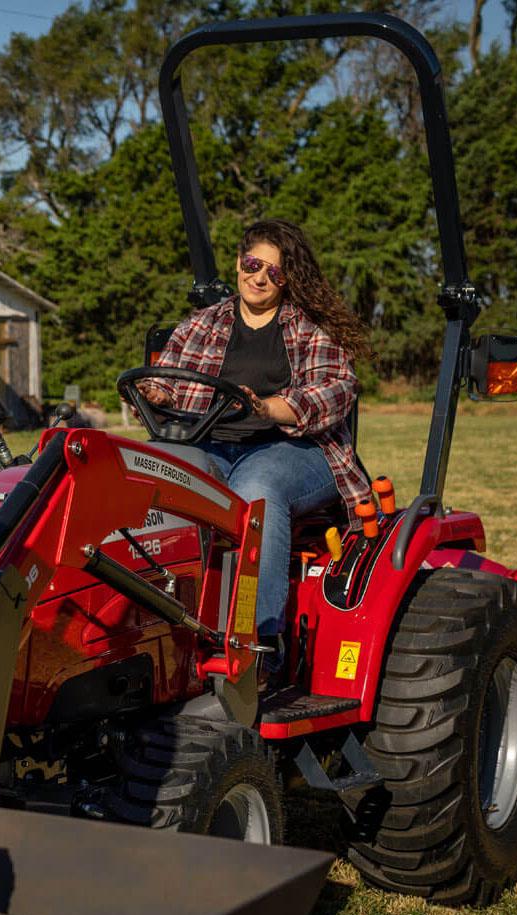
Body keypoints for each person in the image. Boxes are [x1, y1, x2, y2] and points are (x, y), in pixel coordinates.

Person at [141, 219, 372, 670]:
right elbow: (167, 379)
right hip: (210, 446)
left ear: (287, 280)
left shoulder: (307, 329)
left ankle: (260, 641)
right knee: (149, 476)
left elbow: (336, 389)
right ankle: (154, 625)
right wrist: (156, 392)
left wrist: (268, 408)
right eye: (252, 264)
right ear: (238, 263)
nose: (260, 277)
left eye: (274, 272)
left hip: (295, 451)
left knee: (256, 489)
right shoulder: (201, 325)